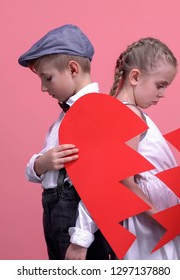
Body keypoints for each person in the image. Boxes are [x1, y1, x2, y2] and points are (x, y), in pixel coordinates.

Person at [70, 37, 180, 259]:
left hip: (161, 216)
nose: (162, 94)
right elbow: (124, 182)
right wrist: (169, 221)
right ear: (135, 76)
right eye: (160, 85)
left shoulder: (127, 113)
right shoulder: (128, 114)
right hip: (153, 224)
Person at [18, 24, 112, 260]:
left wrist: (81, 240)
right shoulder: (64, 118)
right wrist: (42, 163)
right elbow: (32, 171)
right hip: (54, 213)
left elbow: (102, 183)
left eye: (47, 78)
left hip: (77, 220)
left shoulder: (96, 112)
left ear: (72, 69)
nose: (42, 87)